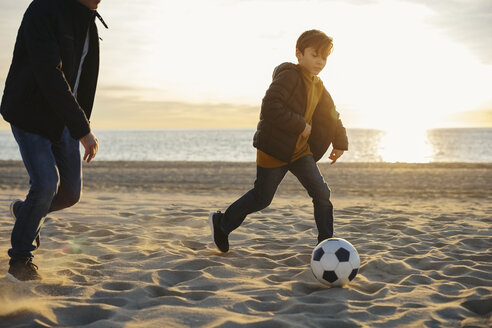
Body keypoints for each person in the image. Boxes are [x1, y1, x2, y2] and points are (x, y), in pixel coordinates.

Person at [209, 30, 348, 253]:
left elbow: (331, 114)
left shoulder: (318, 85)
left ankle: (326, 246)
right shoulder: (289, 76)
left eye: (324, 57)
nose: (320, 61)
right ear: (299, 54)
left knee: (322, 194)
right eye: (315, 55)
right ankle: (222, 223)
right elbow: (270, 106)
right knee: (262, 198)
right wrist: (300, 125)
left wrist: (340, 141)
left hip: (301, 152)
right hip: (275, 149)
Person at [0, 0, 108, 282]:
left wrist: (80, 126)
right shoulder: (44, 9)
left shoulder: (88, 22)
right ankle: (20, 261)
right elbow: (48, 72)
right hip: (30, 111)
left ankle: (25, 213)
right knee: (46, 184)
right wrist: (82, 129)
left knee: (71, 193)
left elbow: (83, 82)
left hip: (62, 119)